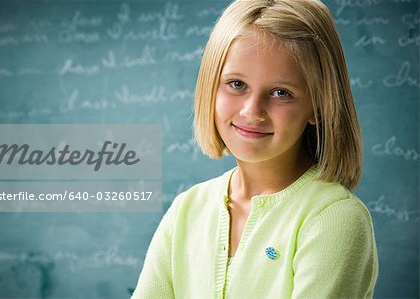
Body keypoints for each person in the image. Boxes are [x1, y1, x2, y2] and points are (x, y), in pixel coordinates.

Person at [132, 0, 379, 298]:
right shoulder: (187, 209)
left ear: (318, 105)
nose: (252, 111)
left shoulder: (334, 219)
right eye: (236, 84)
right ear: (211, 87)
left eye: (281, 93)